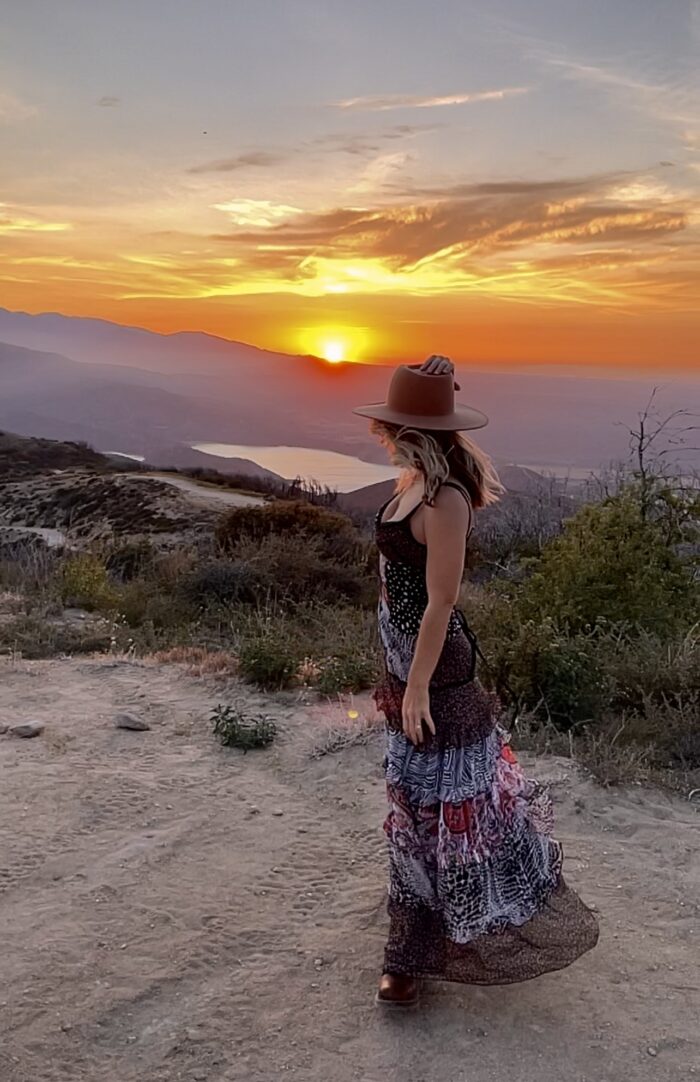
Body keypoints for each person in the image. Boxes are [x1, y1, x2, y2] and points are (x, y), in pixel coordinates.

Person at [352, 356, 599, 1006]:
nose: (383, 431)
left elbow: (440, 602)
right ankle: (419, 933)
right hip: (405, 663)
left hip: (434, 672)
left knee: (444, 809)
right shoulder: (412, 482)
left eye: (393, 422)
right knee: (416, 806)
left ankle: (419, 949)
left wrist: (415, 688)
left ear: (409, 428)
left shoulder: (446, 499)